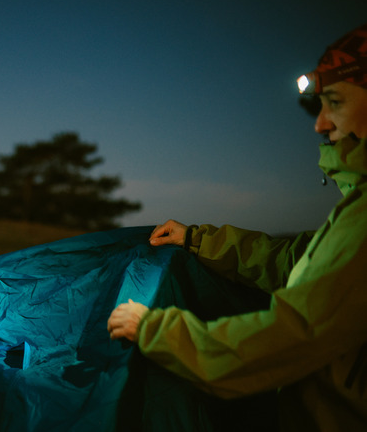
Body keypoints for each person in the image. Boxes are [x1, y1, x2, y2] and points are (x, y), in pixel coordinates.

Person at [107, 23, 367, 431]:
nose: (319, 124)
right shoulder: (356, 209)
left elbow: (292, 336)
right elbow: (295, 259)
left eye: (334, 102)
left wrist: (157, 329)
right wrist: (196, 239)